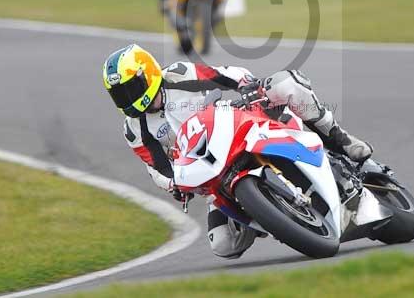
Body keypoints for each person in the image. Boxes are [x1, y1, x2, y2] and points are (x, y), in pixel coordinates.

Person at [102, 44, 372, 259]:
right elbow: (156, 168)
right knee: (223, 244)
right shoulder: (135, 130)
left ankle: (339, 137)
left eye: (130, 89)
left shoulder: (180, 75)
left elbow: (227, 75)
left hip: (240, 123)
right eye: (119, 95)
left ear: (147, 73)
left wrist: (247, 87)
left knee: (284, 85)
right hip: (211, 169)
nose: (127, 99)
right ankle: (269, 216)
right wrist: (174, 184)